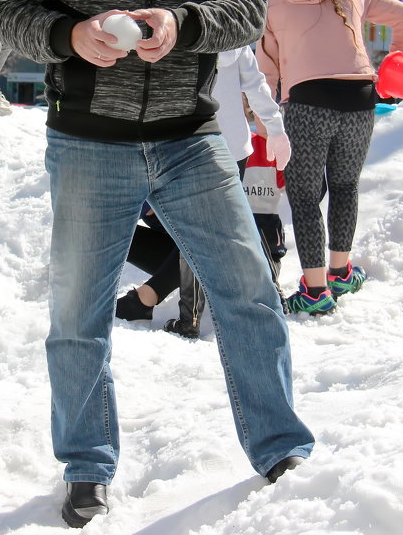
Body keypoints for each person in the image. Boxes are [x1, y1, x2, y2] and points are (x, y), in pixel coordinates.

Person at [0, 0, 314, 529]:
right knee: (77, 313)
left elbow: (244, 8)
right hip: (87, 142)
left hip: (189, 137)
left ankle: (279, 447)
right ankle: (86, 466)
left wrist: (183, 25)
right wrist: (69, 35)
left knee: (249, 292)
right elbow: (11, 13)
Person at [256, 0, 403, 316]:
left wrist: (262, 118)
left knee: (305, 195)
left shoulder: (274, 0)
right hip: (360, 99)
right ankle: (341, 272)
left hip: (308, 103)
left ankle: (314, 291)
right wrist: (398, 63)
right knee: (345, 186)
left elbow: (267, 68)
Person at [115, 45, 292, 339]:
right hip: (233, 146)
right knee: (232, 221)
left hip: (188, 142)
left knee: (197, 226)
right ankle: (271, 291)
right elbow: (256, 84)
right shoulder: (232, 38)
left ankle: (182, 315)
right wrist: (275, 127)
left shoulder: (174, 31)